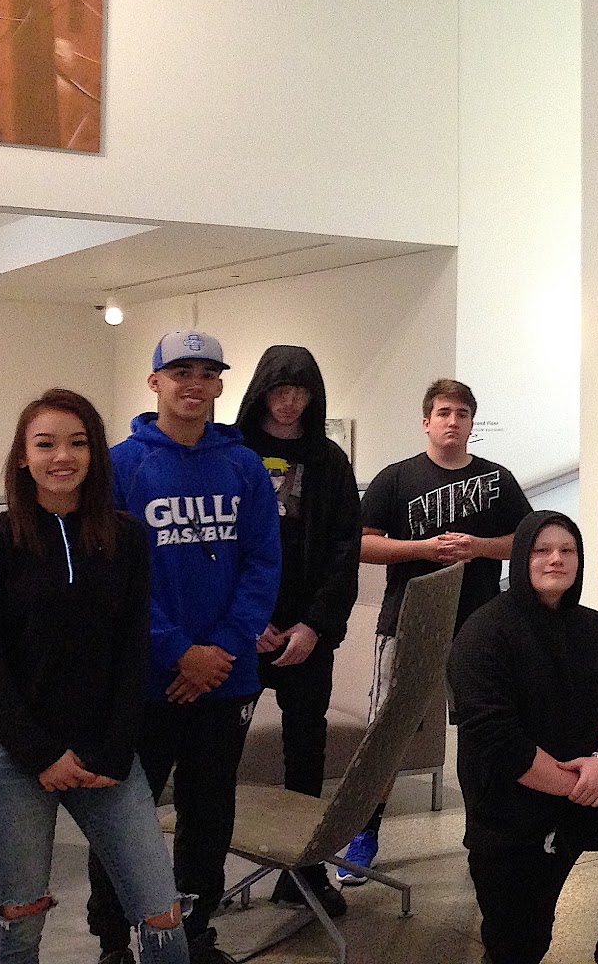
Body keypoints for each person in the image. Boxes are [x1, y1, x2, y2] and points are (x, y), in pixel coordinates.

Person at [88, 331, 283, 964]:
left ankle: (194, 934)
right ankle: (115, 940)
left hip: (224, 679)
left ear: (220, 384)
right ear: (155, 382)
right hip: (145, 680)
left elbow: (262, 563)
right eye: (180, 372)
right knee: (123, 814)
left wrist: (219, 651)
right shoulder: (121, 466)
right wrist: (178, 652)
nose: (193, 384)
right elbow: (111, 574)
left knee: (208, 816)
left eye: (206, 373)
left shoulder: (244, 466)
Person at [0, 390, 189, 964]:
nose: (62, 456)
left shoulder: (126, 537)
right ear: (23, 456)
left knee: (161, 909)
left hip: (106, 756)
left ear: (95, 453)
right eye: (45, 444)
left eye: (77, 443)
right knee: (21, 914)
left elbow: (132, 652)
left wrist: (114, 749)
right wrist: (41, 753)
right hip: (20, 759)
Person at [449, 510, 598, 964]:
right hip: (511, 814)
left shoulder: (594, 628)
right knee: (521, 948)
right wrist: (586, 784)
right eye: (542, 550)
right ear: (521, 557)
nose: (556, 559)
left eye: (567, 550)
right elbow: (500, 744)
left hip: (585, 791)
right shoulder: (484, 633)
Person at [340, 378, 530, 883]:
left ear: (472, 424)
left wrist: (478, 547)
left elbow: (527, 540)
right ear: (427, 421)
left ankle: (485, 830)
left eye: (462, 414)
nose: (453, 421)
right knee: (386, 733)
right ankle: (364, 831)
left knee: (484, 730)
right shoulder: (395, 478)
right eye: (444, 412)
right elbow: (362, 545)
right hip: (407, 623)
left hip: (479, 626)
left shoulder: (496, 479)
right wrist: (422, 549)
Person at [233, 346, 362, 915]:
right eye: (279, 390)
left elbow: (344, 550)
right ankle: (199, 876)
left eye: (300, 392)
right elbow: (219, 548)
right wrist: (245, 621)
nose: (289, 402)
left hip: (308, 632)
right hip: (241, 629)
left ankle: (303, 873)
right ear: (262, 391)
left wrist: (314, 625)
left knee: (306, 750)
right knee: (216, 750)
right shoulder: (232, 453)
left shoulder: (329, 462)